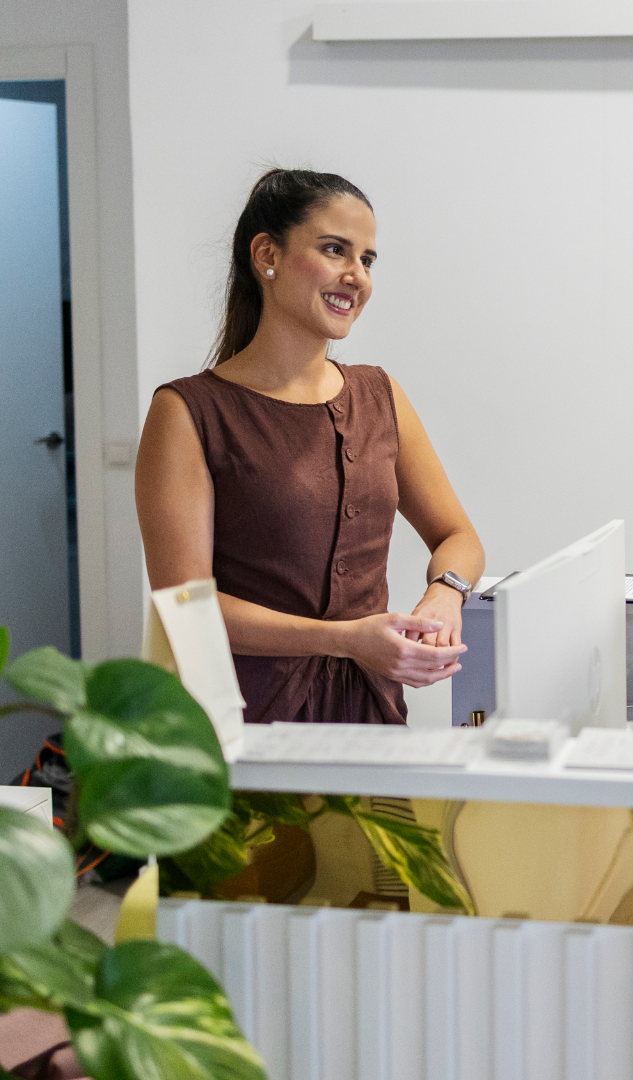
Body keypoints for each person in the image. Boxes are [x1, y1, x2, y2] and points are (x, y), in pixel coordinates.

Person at [137, 168, 484, 725]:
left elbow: (458, 537)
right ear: (266, 255)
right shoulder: (186, 413)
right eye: (334, 250)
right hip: (241, 724)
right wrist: (346, 640)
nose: (357, 277)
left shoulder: (381, 395)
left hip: (371, 712)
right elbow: (187, 609)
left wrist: (445, 593)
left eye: (367, 260)